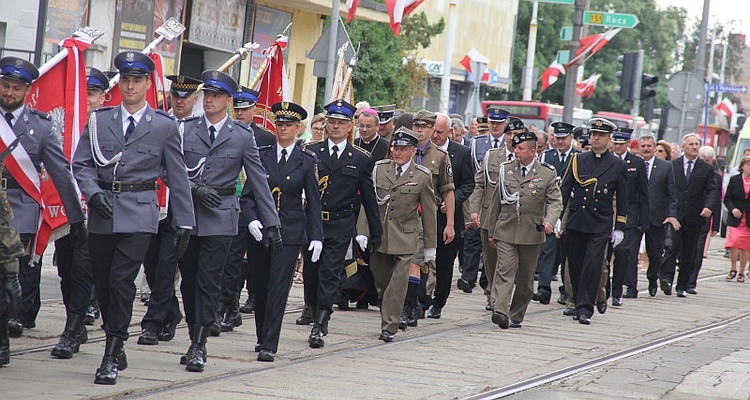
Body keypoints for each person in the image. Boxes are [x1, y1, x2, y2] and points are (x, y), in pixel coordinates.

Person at [72, 51, 195, 384]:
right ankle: (117, 336)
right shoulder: (100, 120)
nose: (130, 86)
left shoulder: (164, 126)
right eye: (125, 80)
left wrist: (185, 220)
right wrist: (93, 193)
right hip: (103, 210)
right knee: (104, 282)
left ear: (147, 84)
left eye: (137, 81)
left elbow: (177, 176)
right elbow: (82, 164)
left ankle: (111, 352)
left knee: (122, 282)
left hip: (140, 211)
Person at [177, 70, 281, 372]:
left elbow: (258, 182)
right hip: (189, 213)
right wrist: (194, 188)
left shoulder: (241, 135)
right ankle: (192, 333)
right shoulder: (185, 129)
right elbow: (169, 168)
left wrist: (272, 224)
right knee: (188, 283)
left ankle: (199, 344)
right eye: (206, 94)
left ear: (228, 101)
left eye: (216, 96)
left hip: (222, 215)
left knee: (209, 281)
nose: (209, 100)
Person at [0, 56, 87, 338]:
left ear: (27, 91)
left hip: (19, 211)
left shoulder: (41, 127)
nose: (9, 93)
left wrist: (76, 220)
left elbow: (61, 174)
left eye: (15, 88)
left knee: (9, 276)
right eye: (4, 86)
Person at [302, 99, 382, 349]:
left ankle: (321, 321)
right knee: (311, 275)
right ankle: (315, 312)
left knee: (329, 273)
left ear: (350, 126)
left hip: (340, 224)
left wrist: (374, 231)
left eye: (340, 123)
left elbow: (369, 197)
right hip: (312, 224)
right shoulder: (311, 151)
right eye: (331, 122)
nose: (335, 126)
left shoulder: (360, 158)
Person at [247, 101, 322, 361]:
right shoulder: (262, 154)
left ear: (298, 129)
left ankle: (270, 343)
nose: (282, 129)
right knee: (260, 285)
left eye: (288, 125)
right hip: (261, 231)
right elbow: (248, 196)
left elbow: (313, 202)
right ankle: (261, 335)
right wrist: (251, 220)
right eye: (279, 124)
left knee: (278, 287)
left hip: (289, 231)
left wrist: (316, 237)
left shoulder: (306, 160)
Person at [49, 67, 112, 359]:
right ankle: (75, 323)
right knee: (66, 272)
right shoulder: (60, 125)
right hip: (64, 211)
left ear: (102, 96)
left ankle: (71, 330)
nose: (85, 99)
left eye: (91, 93)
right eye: (80, 92)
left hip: (95, 211)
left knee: (83, 271)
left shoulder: (107, 126)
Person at [137, 74, 202, 347]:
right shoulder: (157, 123)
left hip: (178, 208)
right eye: (175, 95)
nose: (179, 101)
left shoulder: (200, 129)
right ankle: (172, 312)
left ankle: (152, 323)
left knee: (166, 268)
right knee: (151, 267)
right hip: (153, 205)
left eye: (185, 97)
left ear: (195, 99)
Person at [487, 130, 562, 329]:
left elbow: (555, 201)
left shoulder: (547, 173)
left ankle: (517, 313)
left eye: (520, 148)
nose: (516, 151)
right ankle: (500, 311)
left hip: (531, 231)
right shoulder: (506, 169)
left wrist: (550, 221)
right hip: (506, 229)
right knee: (505, 271)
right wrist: (491, 230)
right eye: (515, 147)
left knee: (526, 279)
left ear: (532, 151)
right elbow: (496, 202)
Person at [368, 127, 436, 342]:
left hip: (407, 237)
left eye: (403, 149)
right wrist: (362, 231)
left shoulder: (422, 176)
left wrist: (430, 246)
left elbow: (429, 212)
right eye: (395, 148)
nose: (397, 153)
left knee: (398, 282)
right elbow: (368, 204)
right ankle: (387, 304)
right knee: (382, 282)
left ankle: (389, 325)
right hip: (380, 236)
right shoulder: (379, 169)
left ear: (413, 152)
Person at [559, 118, 628, 325]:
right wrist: (556, 218)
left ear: (609, 139)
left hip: (600, 223)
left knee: (593, 265)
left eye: (601, 135)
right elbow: (563, 190)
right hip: (577, 221)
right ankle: (577, 300)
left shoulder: (617, 165)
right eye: (593, 135)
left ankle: (584, 308)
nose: (596, 138)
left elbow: (623, 198)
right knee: (576, 265)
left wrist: (620, 227)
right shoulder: (578, 160)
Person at [466, 113, 517, 311]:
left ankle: (500, 301)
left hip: (514, 219)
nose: (512, 137)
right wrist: (474, 210)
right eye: (509, 133)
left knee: (508, 263)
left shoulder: (528, 158)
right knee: (490, 261)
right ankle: (492, 294)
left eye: (516, 133)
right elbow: (479, 184)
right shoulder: (492, 156)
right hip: (489, 216)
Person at [659, 133, 718, 298]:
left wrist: (708, 207)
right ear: (683, 147)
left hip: (694, 215)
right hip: (675, 215)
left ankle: (682, 285)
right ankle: (666, 279)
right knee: (671, 248)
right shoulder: (672, 165)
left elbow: (712, 190)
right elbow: (666, 189)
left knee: (689, 253)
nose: (694, 147)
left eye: (696, 144)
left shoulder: (705, 168)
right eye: (691, 144)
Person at [427, 113, 473, 318]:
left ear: (450, 132)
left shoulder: (462, 153)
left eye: (439, 132)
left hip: (448, 217)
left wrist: (454, 200)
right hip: (425, 214)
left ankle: (439, 301)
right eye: (433, 131)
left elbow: (468, 183)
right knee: (421, 260)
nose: (435, 135)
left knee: (445, 264)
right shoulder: (422, 150)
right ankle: (419, 301)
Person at [533, 122, 578, 305]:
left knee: (567, 254)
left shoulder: (578, 158)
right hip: (549, 210)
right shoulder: (546, 155)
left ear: (571, 139)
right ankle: (544, 289)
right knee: (546, 250)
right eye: (557, 138)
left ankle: (566, 290)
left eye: (563, 138)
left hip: (571, 211)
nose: (560, 141)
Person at [609, 127, 649, 306]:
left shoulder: (636, 163)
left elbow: (643, 193)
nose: (617, 147)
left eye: (621, 143)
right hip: (607, 212)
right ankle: (603, 289)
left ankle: (619, 290)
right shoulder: (607, 160)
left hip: (629, 215)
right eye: (615, 143)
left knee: (624, 252)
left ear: (627, 144)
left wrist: (643, 219)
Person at [636, 135, 679, 297]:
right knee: (630, 251)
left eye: (649, 146)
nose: (646, 149)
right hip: (637, 215)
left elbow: (671, 194)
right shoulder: (634, 164)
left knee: (654, 253)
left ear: (654, 148)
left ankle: (653, 279)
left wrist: (671, 215)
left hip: (657, 217)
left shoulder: (665, 166)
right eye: (643, 146)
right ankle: (631, 286)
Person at [687, 146, 722, 292]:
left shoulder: (716, 177)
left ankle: (691, 282)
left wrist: (716, 225)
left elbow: (717, 200)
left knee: (698, 250)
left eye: (708, 160)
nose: (704, 162)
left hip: (703, 218)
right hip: (687, 215)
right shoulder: (687, 171)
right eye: (702, 159)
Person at [723, 155, 750, 282]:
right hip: (736, 217)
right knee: (733, 242)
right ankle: (733, 268)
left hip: (748, 219)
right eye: (748, 165)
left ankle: (741, 272)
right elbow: (727, 198)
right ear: (743, 166)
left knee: (745, 246)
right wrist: (733, 209)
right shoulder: (734, 180)